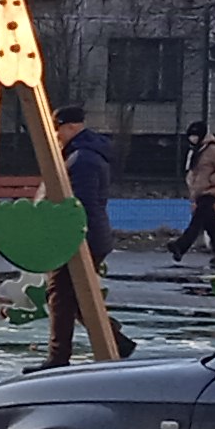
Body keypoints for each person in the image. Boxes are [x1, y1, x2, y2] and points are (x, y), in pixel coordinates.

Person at [41, 102, 130, 369]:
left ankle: (58, 358)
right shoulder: (85, 154)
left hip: (81, 238)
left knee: (60, 294)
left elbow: (81, 205)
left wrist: (68, 235)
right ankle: (116, 341)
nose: (56, 135)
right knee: (79, 297)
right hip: (91, 235)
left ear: (70, 127)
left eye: (58, 129)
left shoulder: (82, 159)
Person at [171, 118, 215, 267]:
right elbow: (192, 170)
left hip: (209, 192)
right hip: (199, 192)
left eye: (195, 135)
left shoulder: (212, 150)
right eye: (190, 136)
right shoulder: (195, 151)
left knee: (197, 221)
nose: (192, 138)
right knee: (211, 225)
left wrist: (211, 181)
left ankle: (181, 246)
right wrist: (192, 185)